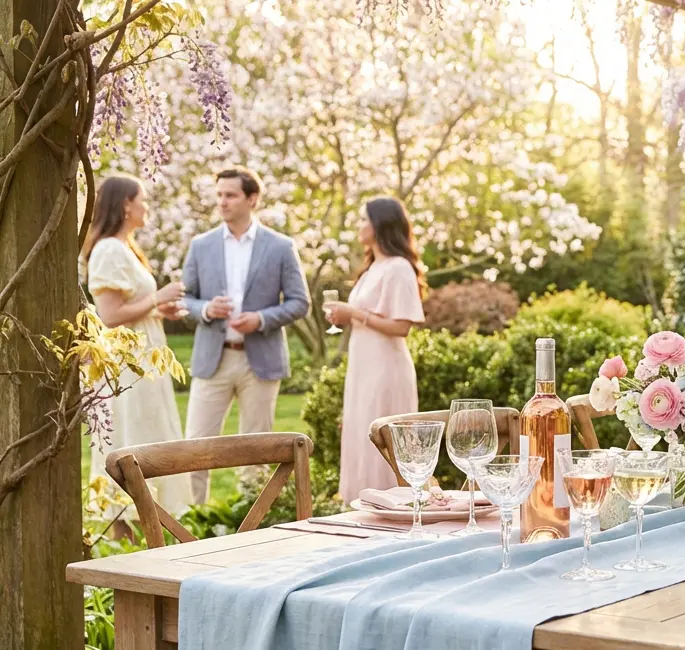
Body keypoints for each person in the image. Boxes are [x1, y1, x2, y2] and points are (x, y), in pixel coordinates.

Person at [180, 167, 310, 503]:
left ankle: (251, 521)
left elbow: (300, 302)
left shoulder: (281, 246)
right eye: (219, 195)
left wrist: (261, 319)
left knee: (257, 454)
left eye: (230, 195)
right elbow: (184, 299)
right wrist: (206, 309)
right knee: (194, 448)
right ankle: (192, 522)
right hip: (213, 358)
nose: (222, 202)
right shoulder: (201, 245)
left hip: (260, 362)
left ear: (252, 199)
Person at [83, 174, 195, 519]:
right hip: (126, 366)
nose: (147, 207)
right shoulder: (108, 250)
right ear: (125, 205)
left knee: (149, 432)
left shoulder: (127, 248)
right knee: (131, 436)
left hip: (144, 362)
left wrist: (158, 311)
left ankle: (151, 521)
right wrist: (157, 298)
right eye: (142, 200)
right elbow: (110, 315)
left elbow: (133, 308)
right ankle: (124, 524)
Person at [325, 197, 427, 503]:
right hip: (363, 369)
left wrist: (355, 314)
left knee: (381, 442)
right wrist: (346, 317)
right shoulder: (371, 269)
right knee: (360, 438)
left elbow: (402, 326)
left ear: (381, 224)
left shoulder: (399, 268)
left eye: (364, 220)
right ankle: (363, 507)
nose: (359, 225)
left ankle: (390, 506)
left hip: (386, 370)